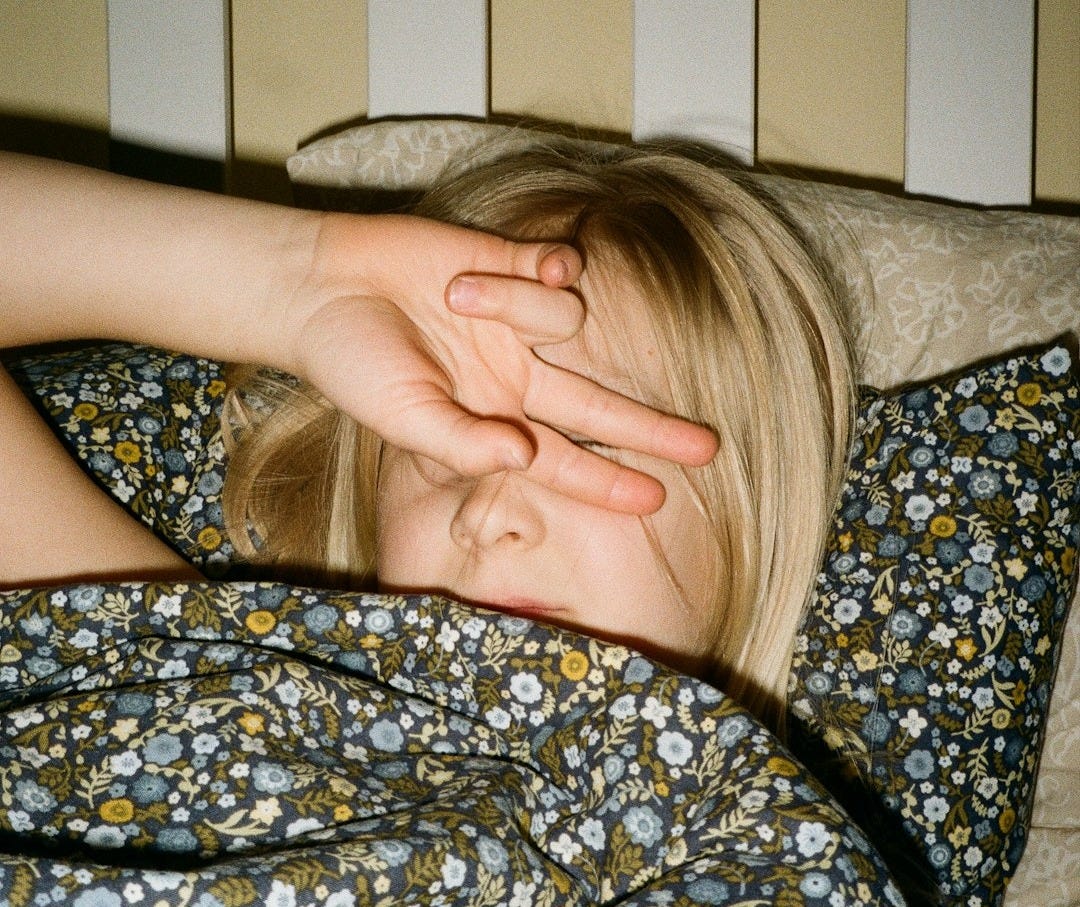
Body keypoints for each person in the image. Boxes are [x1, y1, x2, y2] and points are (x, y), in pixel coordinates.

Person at [1, 141, 854, 727]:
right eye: (451, 440)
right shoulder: (231, 684)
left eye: (588, 444)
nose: (490, 509)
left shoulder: (762, 841)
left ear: (757, 512)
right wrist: (298, 281)